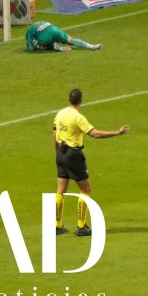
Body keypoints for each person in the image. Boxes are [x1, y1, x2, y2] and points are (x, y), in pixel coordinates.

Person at [53, 88, 130, 236]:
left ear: (68, 99)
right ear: (81, 101)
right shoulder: (78, 118)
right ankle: (81, 226)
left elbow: (55, 133)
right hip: (73, 155)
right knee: (86, 189)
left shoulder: (60, 113)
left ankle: (57, 226)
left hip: (60, 153)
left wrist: (57, 152)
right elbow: (95, 134)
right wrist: (117, 132)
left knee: (61, 190)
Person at [26, 21, 101, 52]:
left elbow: (30, 48)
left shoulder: (29, 31)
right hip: (55, 30)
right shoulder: (42, 22)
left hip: (45, 36)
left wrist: (37, 47)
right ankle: (92, 46)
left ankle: (60, 48)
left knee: (43, 44)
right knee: (71, 40)